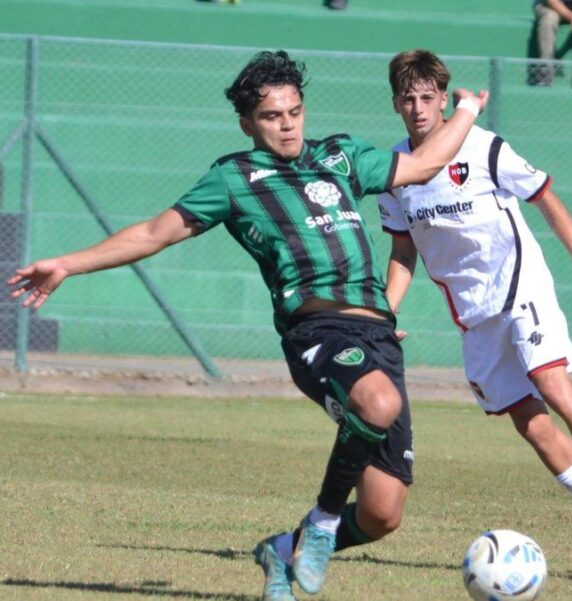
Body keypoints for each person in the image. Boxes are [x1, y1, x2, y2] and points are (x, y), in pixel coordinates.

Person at [5, 50, 487, 601]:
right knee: (377, 404)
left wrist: (467, 110)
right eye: (272, 117)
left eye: (295, 112)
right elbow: (155, 232)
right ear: (247, 124)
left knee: (382, 514)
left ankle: (282, 550)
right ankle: (324, 524)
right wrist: (68, 263)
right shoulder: (234, 178)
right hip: (316, 329)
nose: (287, 125)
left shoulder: (342, 157)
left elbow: (425, 164)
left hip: (377, 333)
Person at [379, 49, 572, 572]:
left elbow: (544, 195)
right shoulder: (395, 172)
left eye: (428, 98)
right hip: (475, 313)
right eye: (408, 99)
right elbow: (402, 252)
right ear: (395, 103)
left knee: (551, 383)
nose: (418, 108)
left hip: (521, 285)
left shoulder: (482, 148)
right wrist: (385, 315)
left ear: (441, 100)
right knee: (532, 424)